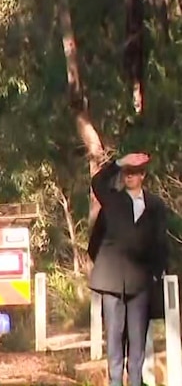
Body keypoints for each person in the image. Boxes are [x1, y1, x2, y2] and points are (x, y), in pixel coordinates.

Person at [88, 152, 169, 386]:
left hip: (141, 282)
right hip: (111, 281)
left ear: (143, 175)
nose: (129, 177)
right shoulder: (113, 200)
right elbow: (98, 182)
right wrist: (120, 162)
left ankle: (135, 382)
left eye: (134, 173)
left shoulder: (155, 206)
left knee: (137, 342)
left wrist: (157, 273)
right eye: (127, 173)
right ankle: (115, 382)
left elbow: (160, 244)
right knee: (114, 339)